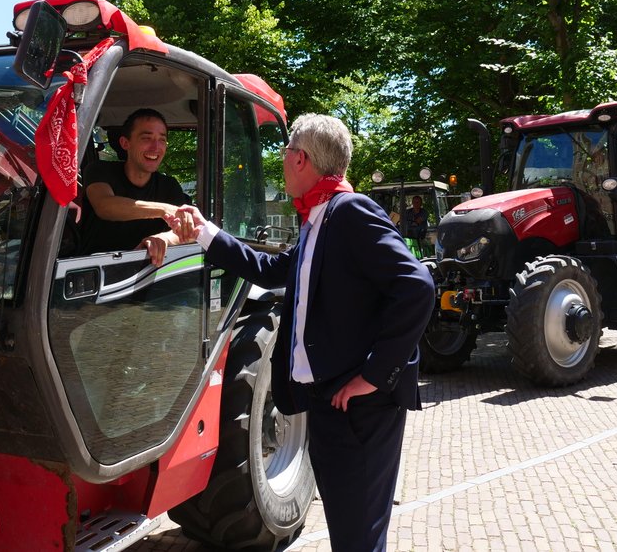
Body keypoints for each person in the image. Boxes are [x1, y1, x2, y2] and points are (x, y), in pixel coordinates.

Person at [165, 114, 434, 551]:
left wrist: (374, 375)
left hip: (360, 410)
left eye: (287, 151)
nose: (282, 159)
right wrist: (206, 234)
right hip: (329, 405)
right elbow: (273, 270)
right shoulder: (317, 219)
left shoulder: (349, 211)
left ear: (303, 159)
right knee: (351, 533)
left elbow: (417, 287)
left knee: (358, 538)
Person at [80, 108, 190, 265]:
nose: (156, 147)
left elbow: (186, 231)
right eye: (147, 138)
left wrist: (164, 238)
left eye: (162, 140)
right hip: (92, 273)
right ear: (125, 143)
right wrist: (164, 210)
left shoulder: (169, 186)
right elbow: (104, 206)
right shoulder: (99, 170)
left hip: (147, 275)